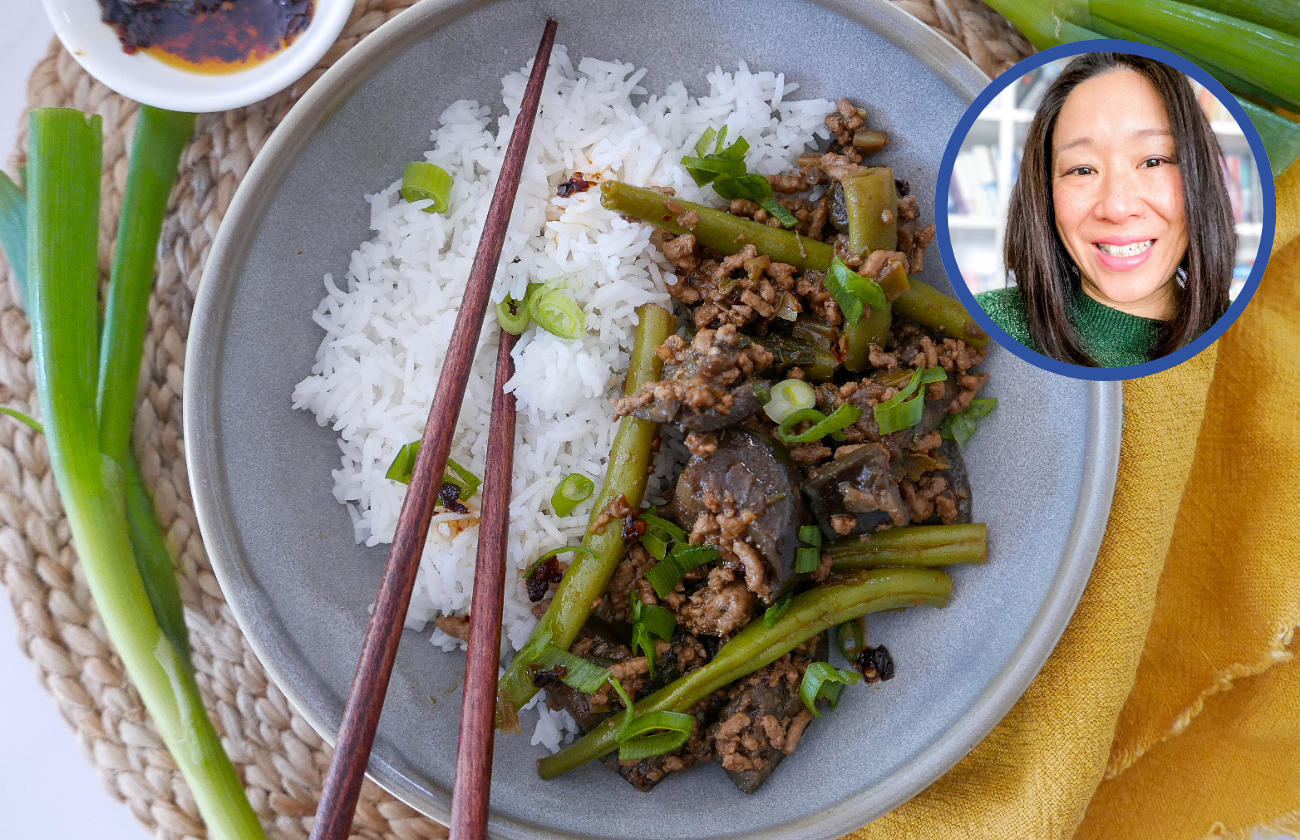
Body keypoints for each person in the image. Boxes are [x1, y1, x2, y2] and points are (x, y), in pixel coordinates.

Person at [976, 52, 1236, 367]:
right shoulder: (985, 322)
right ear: (1045, 194)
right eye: (1082, 170)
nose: (1116, 207)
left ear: (1200, 176)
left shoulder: (1249, 344)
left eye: (1153, 162)